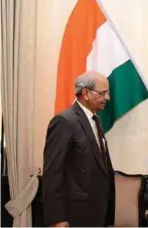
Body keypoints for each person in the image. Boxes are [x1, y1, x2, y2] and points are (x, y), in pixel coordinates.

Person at [43, 71, 115, 227]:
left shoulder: (95, 120)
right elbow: (53, 173)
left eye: (107, 93)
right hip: (75, 215)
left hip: (96, 213)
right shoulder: (64, 121)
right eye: (103, 93)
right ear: (86, 93)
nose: (107, 98)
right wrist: (57, 218)